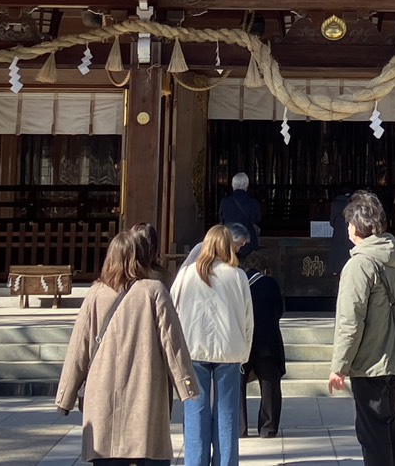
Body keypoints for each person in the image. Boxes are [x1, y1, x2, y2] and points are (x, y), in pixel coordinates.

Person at [56, 227, 199, 466]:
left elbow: (78, 351)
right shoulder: (153, 291)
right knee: (148, 450)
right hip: (145, 392)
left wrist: (65, 397)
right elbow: (172, 345)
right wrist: (187, 386)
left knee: (107, 454)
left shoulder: (94, 294)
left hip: (102, 397)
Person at [328, 190, 395, 466]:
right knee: (392, 428)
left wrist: (339, 365)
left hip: (369, 362)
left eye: (349, 224)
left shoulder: (360, 264)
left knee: (373, 434)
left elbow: (350, 321)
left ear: (356, 227)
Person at [171, 224, 253, 466]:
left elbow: (172, 308)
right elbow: (248, 318)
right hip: (229, 350)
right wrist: (244, 352)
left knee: (195, 411)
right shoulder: (238, 275)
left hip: (193, 349)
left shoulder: (186, 273)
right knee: (227, 415)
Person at [237, 251, 285, 439]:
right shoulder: (270, 284)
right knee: (269, 385)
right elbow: (278, 311)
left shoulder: (238, 282)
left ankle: (239, 427)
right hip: (267, 340)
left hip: (243, 339)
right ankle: (267, 427)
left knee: (238, 385)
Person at [218, 173, 262, 256]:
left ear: (233, 185)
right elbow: (258, 219)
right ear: (246, 185)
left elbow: (221, 219)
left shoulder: (225, 202)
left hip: (229, 240)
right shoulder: (253, 203)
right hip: (248, 241)